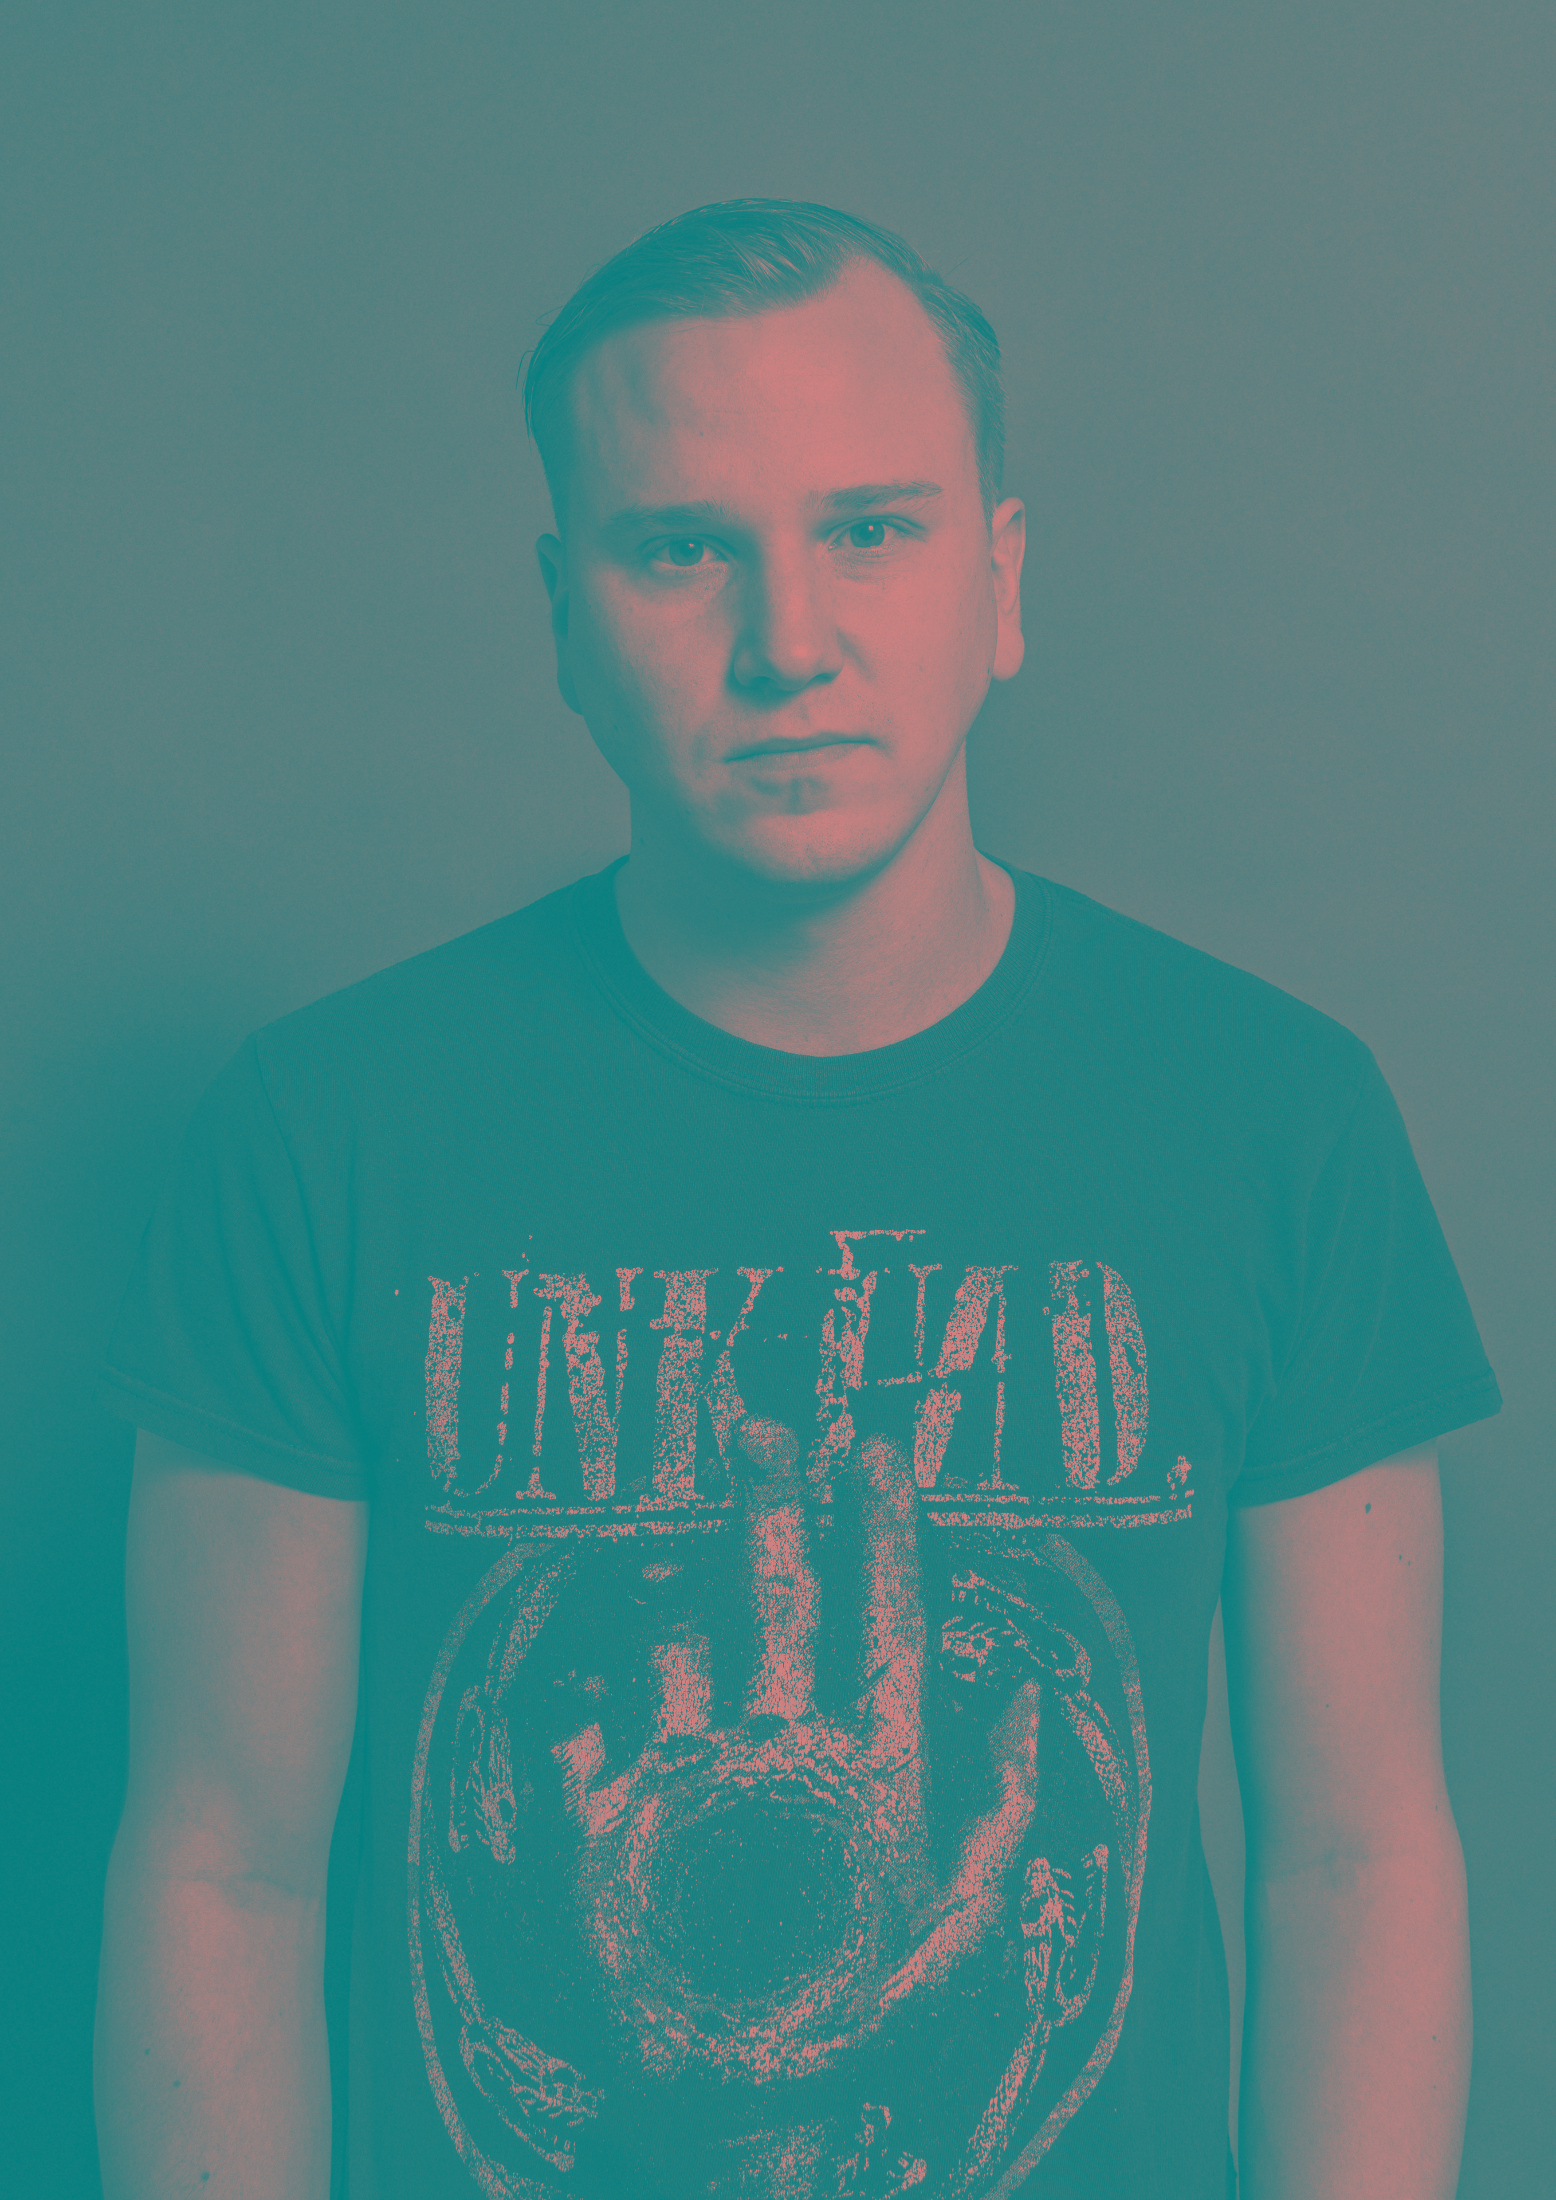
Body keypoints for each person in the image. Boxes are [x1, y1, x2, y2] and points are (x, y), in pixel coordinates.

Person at [92, 199, 1500, 2200]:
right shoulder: (323, 1128)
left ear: (1000, 581)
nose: (788, 643)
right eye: (682, 548)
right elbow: (222, 1863)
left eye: (871, 529)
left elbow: (1354, 1854)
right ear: (564, 615)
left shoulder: (1274, 1114)